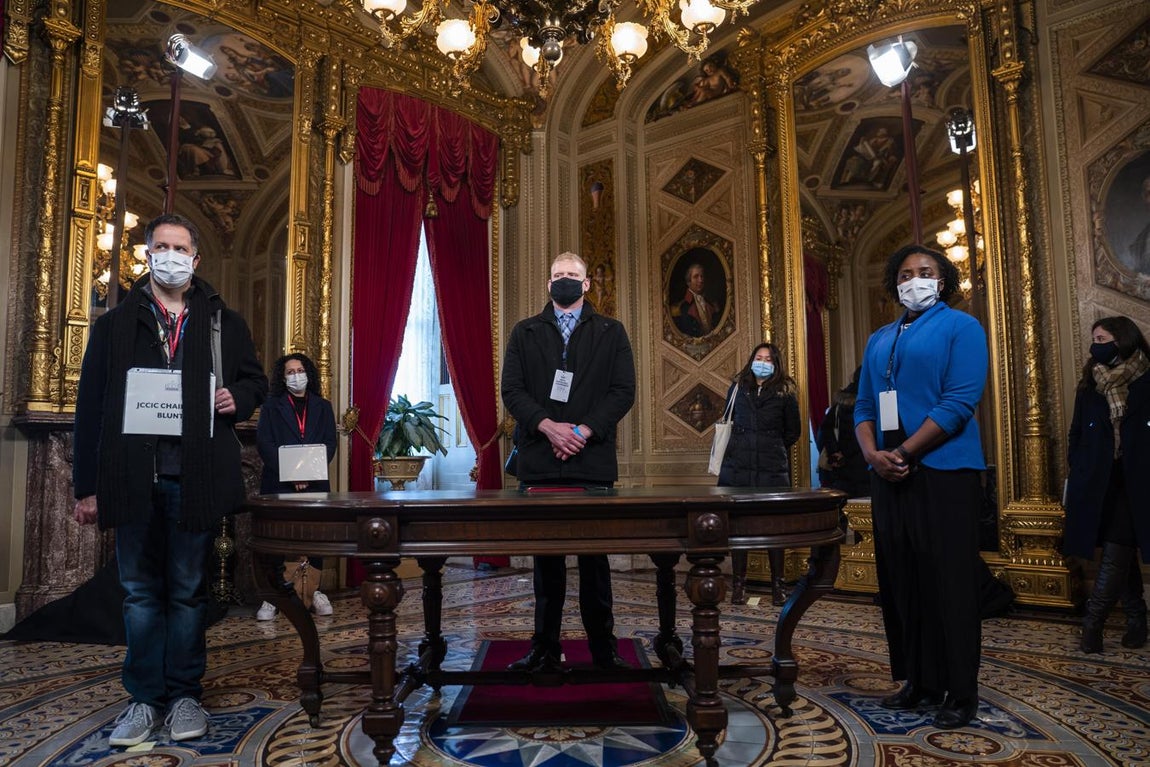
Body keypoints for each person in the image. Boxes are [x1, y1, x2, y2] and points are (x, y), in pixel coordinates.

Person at [72, 213, 267, 747]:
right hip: (132, 476)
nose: (172, 255)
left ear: (196, 259)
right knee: (138, 594)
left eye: (181, 247)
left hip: (195, 476)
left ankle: (183, 695)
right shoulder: (114, 325)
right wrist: (85, 486)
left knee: (186, 592)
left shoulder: (222, 321)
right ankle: (142, 699)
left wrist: (239, 399)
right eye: (162, 246)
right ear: (147, 254)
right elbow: (90, 408)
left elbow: (255, 380)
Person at [854, 244, 987, 730]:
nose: (916, 279)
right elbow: (864, 405)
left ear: (943, 280)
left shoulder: (962, 327)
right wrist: (873, 455)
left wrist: (906, 452)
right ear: (895, 283)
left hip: (944, 471)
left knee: (948, 582)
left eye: (926, 272)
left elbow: (958, 402)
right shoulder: (879, 338)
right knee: (902, 579)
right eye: (907, 273)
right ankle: (919, 679)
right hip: (888, 473)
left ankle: (960, 690)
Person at [501, 251, 636, 672]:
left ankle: (604, 649)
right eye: (558, 275)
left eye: (572, 275)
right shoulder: (525, 332)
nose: (565, 280)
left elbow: (622, 390)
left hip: (591, 459)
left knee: (595, 562)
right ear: (548, 284)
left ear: (586, 283)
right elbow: (512, 390)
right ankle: (544, 647)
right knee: (547, 563)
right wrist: (549, 426)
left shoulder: (611, 331)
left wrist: (581, 431)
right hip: (540, 459)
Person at [1063, 316, 1150, 653]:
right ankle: (1136, 616)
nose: (1095, 344)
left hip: (1137, 481)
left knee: (1117, 549)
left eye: (1101, 337)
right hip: (1101, 481)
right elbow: (1076, 433)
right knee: (1119, 548)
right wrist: (1079, 463)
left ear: (1123, 339)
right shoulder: (1091, 384)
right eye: (1093, 338)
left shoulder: (1146, 381)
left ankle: (1093, 624)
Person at [254, 353, 338, 621]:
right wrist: (292, 474)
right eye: (290, 372)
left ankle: (314, 591)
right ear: (282, 377)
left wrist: (307, 474)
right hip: (279, 481)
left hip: (315, 481)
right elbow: (265, 444)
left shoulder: (323, 407)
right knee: (277, 536)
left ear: (308, 374)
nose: (295, 375)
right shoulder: (270, 407)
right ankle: (273, 596)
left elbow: (329, 444)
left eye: (300, 370)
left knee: (315, 535)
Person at [717, 342, 800, 606]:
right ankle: (738, 585)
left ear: (775, 364)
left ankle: (778, 585)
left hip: (771, 470)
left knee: (774, 528)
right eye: (758, 357)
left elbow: (792, 431)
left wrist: (770, 446)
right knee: (739, 529)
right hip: (738, 469)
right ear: (751, 360)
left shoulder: (785, 393)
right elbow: (728, 418)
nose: (762, 361)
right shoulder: (738, 387)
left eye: (768, 358)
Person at [816, 366, 869, 498]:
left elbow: (825, 430)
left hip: (841, 465)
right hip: (865, 463)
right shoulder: (870, 401)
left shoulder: (839, 405)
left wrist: (834, 452)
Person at [673, 263, 720, 337]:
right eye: (696, 277)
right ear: (689, 282)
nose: (700, 280)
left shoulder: (712, 304)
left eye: (702, 276)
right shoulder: (680, 307)